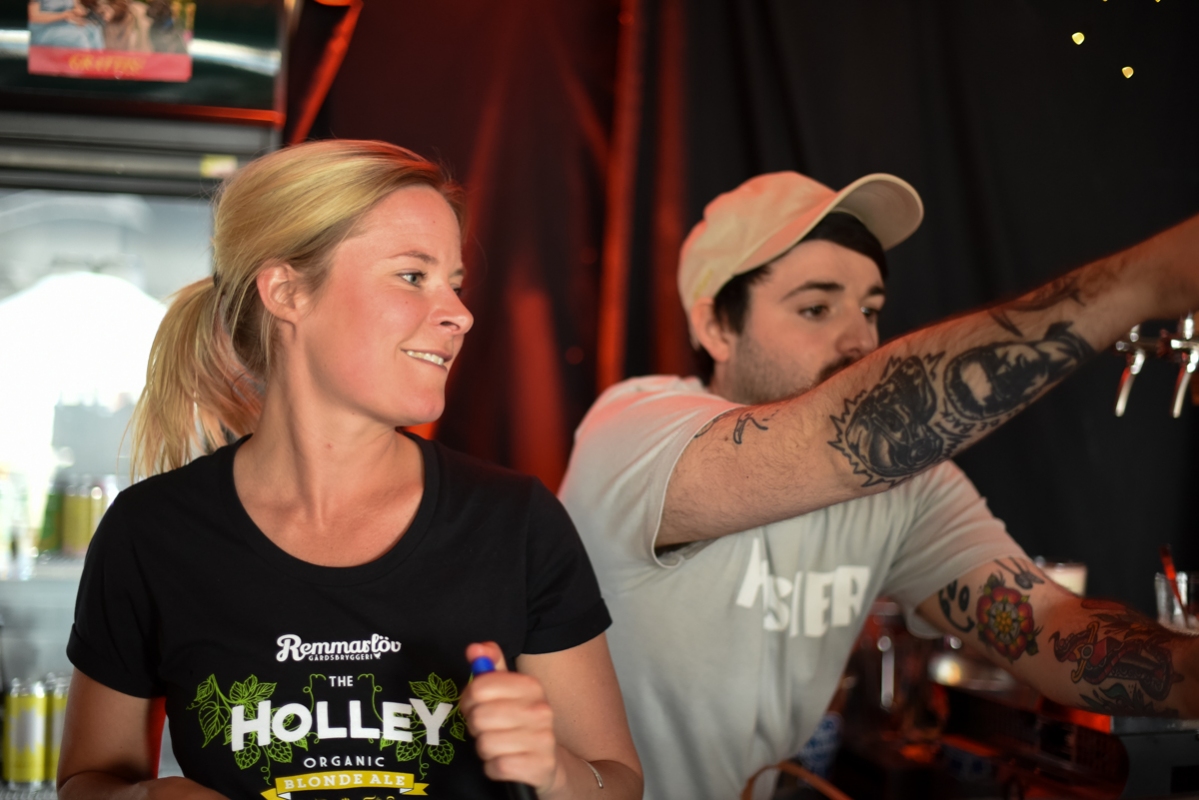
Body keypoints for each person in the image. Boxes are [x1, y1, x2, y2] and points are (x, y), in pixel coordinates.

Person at [558, 170, 1199, 800]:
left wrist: (1186, 673)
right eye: (816, 307)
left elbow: (1044, 626)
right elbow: (841, 435)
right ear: (716, 327)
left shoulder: (907, 489)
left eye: (870, 308)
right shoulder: (634, 433)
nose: (860, 338)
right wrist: (1147, 280)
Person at [57, 140, 643, 800]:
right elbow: (86, 781)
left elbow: (617, 784)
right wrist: (143, 798)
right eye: (412, 276)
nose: (460, 313)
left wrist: (555, 770)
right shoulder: (151, 532)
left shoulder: (516, 523)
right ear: (287, 292)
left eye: (453, 282)